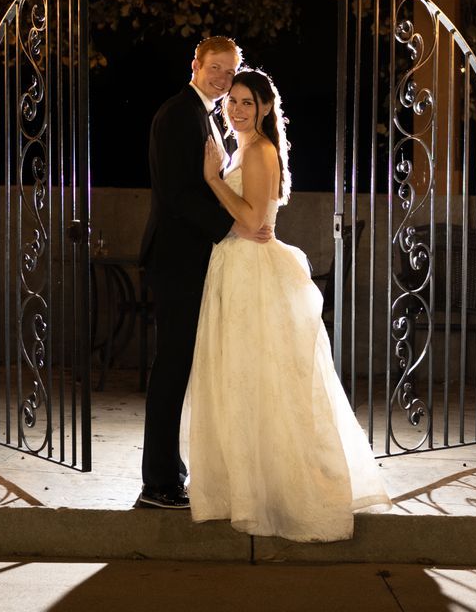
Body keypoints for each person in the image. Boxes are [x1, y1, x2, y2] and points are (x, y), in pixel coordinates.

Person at [187, 67, 389, 542]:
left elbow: (254, 219)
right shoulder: (243, 148)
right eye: (232, 101)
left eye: (247, 103)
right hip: (236, 268)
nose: (236, 109)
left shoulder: (259, 152)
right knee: (241, 382)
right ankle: (245, 485)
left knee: (266, 381)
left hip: (253, 273)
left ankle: (281, 492)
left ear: (264, 108)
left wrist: (213, 181)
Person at [137, 37, 269, 510]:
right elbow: (176, 195)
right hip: (176, 261)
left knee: (179, 366)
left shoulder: (207, 114)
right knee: (171, 367)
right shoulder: (179, 114)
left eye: (229, 72)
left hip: (192, 259)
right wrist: (234, 225)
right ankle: (158, 483)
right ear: (195, 65)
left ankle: (170, 468)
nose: (221, 78)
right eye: (214, 68)